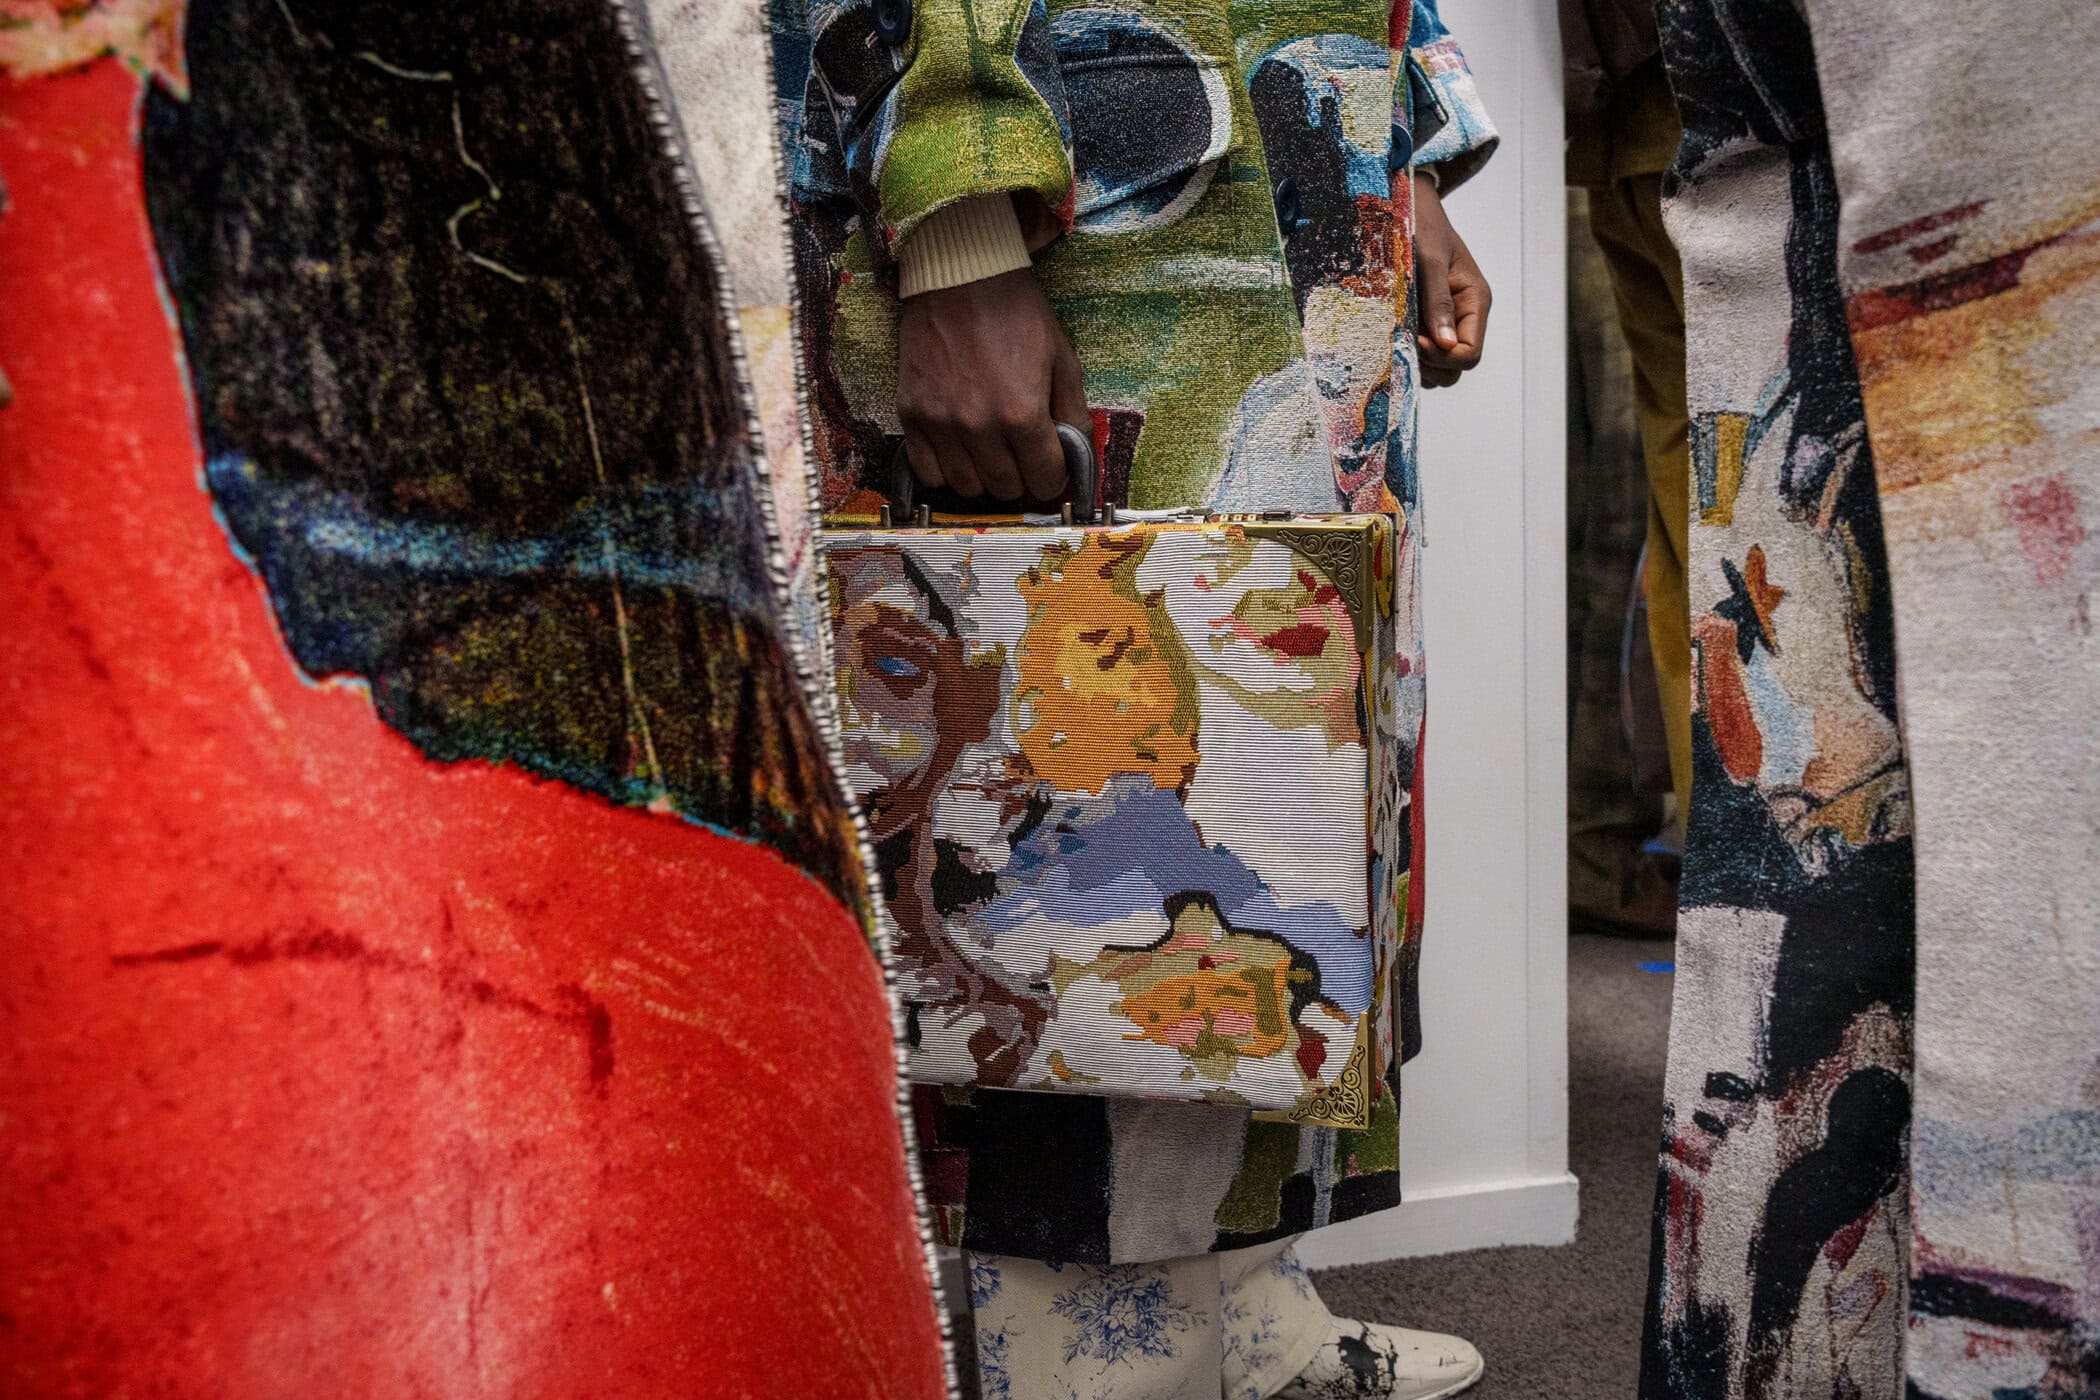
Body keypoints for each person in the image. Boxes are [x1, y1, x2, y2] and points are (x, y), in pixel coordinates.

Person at [777, 0, 1498, 1393]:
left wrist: (1399, 149)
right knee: (1080, 824)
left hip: (1308, 156)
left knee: (1285, 801)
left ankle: (1249, 1312)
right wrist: (956, 214)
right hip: (1096, 184)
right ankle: (1094, 1361)